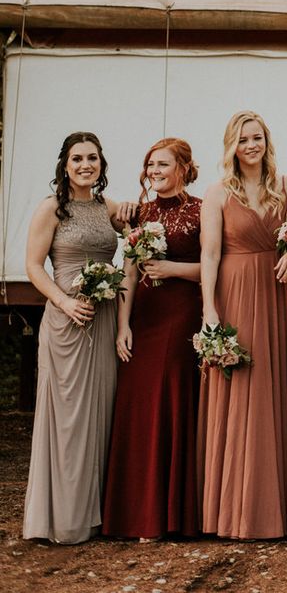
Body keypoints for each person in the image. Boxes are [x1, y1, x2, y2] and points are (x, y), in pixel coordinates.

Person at [198, 110, 287, 539]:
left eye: (257, 137)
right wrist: (209, 310)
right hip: (235, 293)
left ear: (266, 141)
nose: (251, 145)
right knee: (241, 388)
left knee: (280, 386)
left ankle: (281, 507)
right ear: (231, 146)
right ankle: (236, 509)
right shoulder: (217, 193)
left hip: (280, 294)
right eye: (243, 140)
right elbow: (209, 256)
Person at [23, 132, 125, 544]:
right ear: (65, 165)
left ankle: (94, 515)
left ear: (102, 164)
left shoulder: (109, 208)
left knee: (100, 411)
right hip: (67, 322)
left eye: (93, 158)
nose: (86, 165)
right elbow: (33, 267)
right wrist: (65, 304)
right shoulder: (51, 209)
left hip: (104, 320)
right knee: (66, 417)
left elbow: (139, 231)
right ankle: (62, 517)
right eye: (78, 158)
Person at [102, 137, 202, 540]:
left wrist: (172, 269)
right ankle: (134, 514)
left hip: (181, 314)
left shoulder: (201, 210)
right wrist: (122, 324)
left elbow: (215, 267)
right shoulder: (138, 213)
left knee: (171, 399)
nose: (154, 172)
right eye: (150, 166)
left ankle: (169, 516)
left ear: (182, 167)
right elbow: (127, 270)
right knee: (137, 403)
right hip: (143, 315)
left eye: (162, 164)